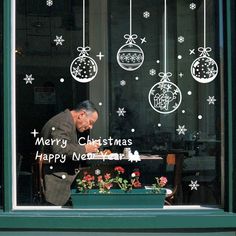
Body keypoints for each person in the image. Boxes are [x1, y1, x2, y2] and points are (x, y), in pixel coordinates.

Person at [39, 100, 100, 206]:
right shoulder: (63, 122)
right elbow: (59, 149)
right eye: (91, 122)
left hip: (61, 180)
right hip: (57, 185)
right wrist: (85, 149)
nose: (91, 127)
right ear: (82, 114)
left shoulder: (66, 120)